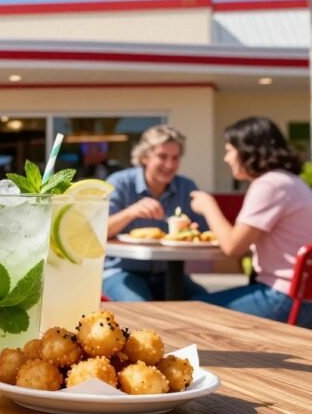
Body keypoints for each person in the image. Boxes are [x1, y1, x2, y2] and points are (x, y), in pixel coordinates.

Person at [189, 117, 312, 327]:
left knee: (186, 313)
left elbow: (233, 247)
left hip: (285, 298)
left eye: (230, 150)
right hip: (300, 297)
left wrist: (209, 206)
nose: (227, 158)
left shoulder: (269, 185)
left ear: (247, 151)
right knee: (191, 297)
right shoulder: (290, 181)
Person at [103, 124, 208, 301]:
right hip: (121, 272)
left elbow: (203, 233)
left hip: (170, 273)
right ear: (144, 157)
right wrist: (131, 212)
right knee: (142, 309)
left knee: (206, 306)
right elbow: (97, 233)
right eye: (162, 156)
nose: (170, 164)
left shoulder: (186, 187)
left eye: (175, 158)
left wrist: (193, 231)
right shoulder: (119, 183)